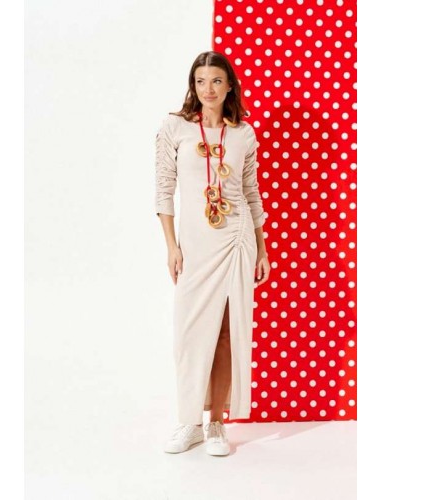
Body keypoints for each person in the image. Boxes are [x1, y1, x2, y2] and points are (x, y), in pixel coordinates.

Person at [155, 51, 270, 456]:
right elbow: (163, 188)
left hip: (236, 240)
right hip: (194, 244)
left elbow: (252, 192)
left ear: (229, 86)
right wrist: (172, 246)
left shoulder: (243, 135)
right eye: (201, 81)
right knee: (189, 333)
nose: (208, 89)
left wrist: (262, 249)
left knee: (224, 333)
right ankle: (188, 422)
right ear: (193, 85)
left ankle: (216, 423)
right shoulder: (175, 128)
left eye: (217, 81)